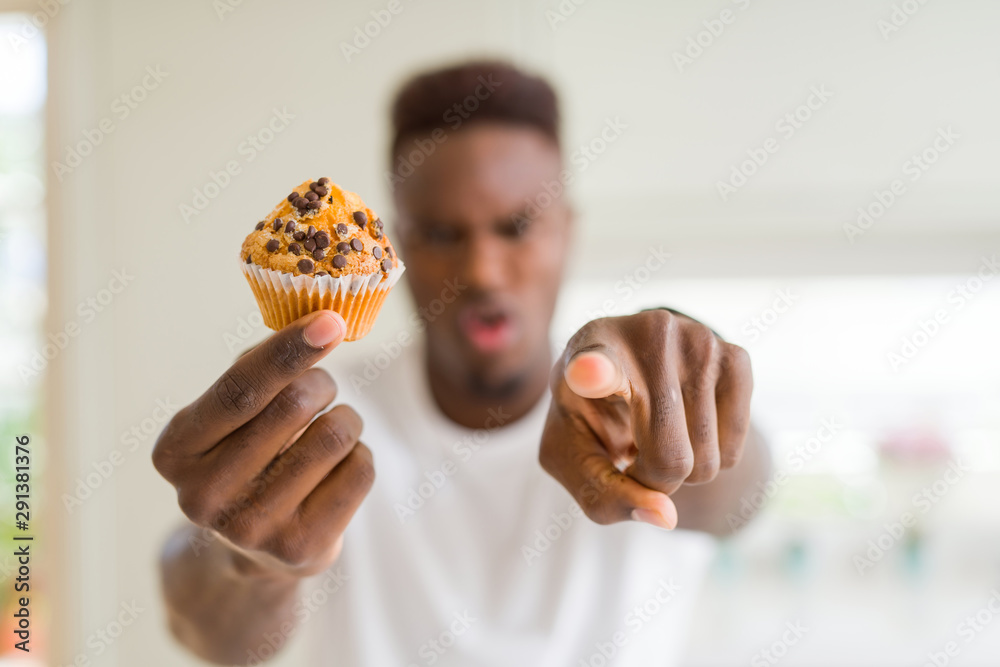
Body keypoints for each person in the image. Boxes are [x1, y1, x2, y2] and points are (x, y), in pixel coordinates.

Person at [152, 60, 770, 666]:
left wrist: (692, 402)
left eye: (517, 226)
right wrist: (251, 563)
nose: (481, 272)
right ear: (398, 243)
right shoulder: (319, 418)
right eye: (443, 234)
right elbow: (209, 632)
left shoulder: (636, 405)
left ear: (567, 231)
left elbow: (741, 498)